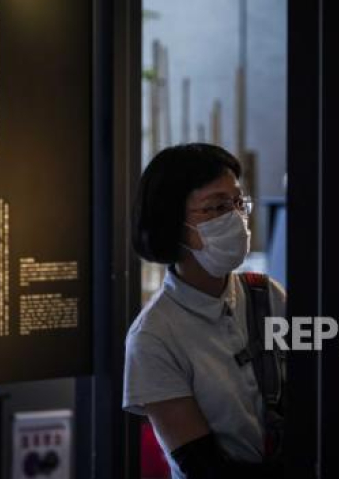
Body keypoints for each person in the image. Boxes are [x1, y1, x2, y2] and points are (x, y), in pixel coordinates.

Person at [123, 143, 287, 479]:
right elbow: (202, 467)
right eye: (215, 207)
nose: (236, 218)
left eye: (239, 203)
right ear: (171, 222)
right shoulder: (153, 337)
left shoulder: (265, 294)